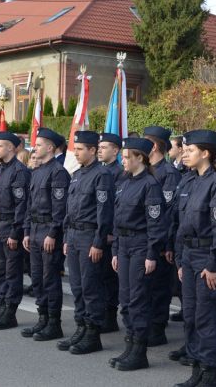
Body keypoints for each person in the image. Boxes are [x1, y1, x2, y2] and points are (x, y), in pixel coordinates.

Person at [172, 130, 216, 387]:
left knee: (207, 318)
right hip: (188, 256)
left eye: (190, 150)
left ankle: (210, 375)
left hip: (207, 257)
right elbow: (181, 225)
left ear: (206, 153)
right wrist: (179, 259)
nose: (185, 153)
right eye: (184, 149)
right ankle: (197, 370)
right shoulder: (190, 181)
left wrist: (214, 265)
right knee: (191, 316)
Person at [109, 137, 166, 371]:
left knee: (138, 301)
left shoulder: (150, 185)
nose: (123, 161)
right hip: (123, 245)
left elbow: (156, 224)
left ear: (139, 158)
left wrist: (152, 254)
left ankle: (139, 352)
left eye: (126, 157)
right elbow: (116, 218)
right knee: (125, 299)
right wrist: (114, 249)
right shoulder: (125, 182)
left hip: (141, 245)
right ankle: (130, 346)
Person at [58, 130, 114, 355]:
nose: (77, 153)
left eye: (80, 149)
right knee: (77, 287)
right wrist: (65, 237)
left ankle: (93, 333)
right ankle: (81, 327)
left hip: (90, 236)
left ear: (93, 150)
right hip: (73, 235)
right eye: (76, 149)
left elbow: (104, 212)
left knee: (91, 287)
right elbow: (69, 209)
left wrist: (98, 242)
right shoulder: (78, 174)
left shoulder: (102, 175)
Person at [22, 128, 70, 341]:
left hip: (49, 231)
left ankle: (53, 323)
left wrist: (53, 232)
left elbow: (60, 208)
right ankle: (42, 319)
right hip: (34, 230)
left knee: (50, 278)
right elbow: (29, 205)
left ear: (50, 148)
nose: (35, 148)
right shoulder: (38, 171)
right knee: (38, 278)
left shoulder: (58, 172)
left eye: (39, 144)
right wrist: (26, 231)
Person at [0, 132, 31, 330]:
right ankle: (2, 307)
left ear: (11, 147)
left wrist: (15, 232)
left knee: (12, 272)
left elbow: (21, 205)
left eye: (0, 145)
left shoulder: (20, 172)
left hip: (11, 227)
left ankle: (10, 311)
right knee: (1, 271)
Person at [144, 126, 183, 347]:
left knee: (159, 287)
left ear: (155, 147)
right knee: (147, 287)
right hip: (145, 239)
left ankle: (157, 328)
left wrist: (166, 243)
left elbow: (168, 212)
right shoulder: (147, 171)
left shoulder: (168, 174)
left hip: (160, 240)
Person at [98, 132, 124, 333]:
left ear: (115, 150)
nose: (100, 149)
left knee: (109, 277)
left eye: (104, 146)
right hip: (100, 232)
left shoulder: (120, 173)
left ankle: (110, 315)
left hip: (111, 234)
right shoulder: (101, 171)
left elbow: (116, 207)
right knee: (100, 276)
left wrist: (111, 233)